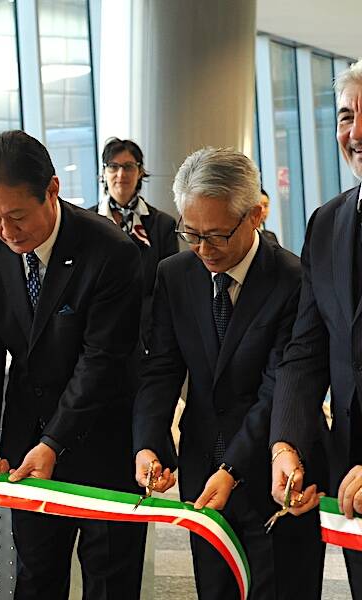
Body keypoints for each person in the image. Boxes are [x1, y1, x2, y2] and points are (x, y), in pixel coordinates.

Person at [0, 130, 146, 600]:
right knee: (36, 572)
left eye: (17, 216)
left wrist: (55, 442)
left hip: (103, 435)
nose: (6, 231)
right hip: (28, 434)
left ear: (52, 190)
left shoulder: (110, 252)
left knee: (107, 578)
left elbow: (100, 362)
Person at [133, 147, 323, 600]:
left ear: (255, 214)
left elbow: (278, 386)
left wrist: (232, 468)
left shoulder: (293, 279)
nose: (203, 250)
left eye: (216, 235)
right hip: (202, 470)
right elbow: (160, 368)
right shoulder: (174, 275)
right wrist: (148, 442)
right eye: (191, 234)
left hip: (275, 473)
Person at [270, 58, 362, 596]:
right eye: (346, 116)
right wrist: (286, 443)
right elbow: (305, 352)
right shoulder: (326, 223)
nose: (356, 133)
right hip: (349, 484)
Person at [93, 137, 178, 349]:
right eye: (113, 167)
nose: (120, 175)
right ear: (104, 172)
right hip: (98, 337)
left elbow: (166, 290)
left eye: (128, 167)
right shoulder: (87, 223)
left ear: (140, 172)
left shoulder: (162, 225)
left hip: (147, 338)